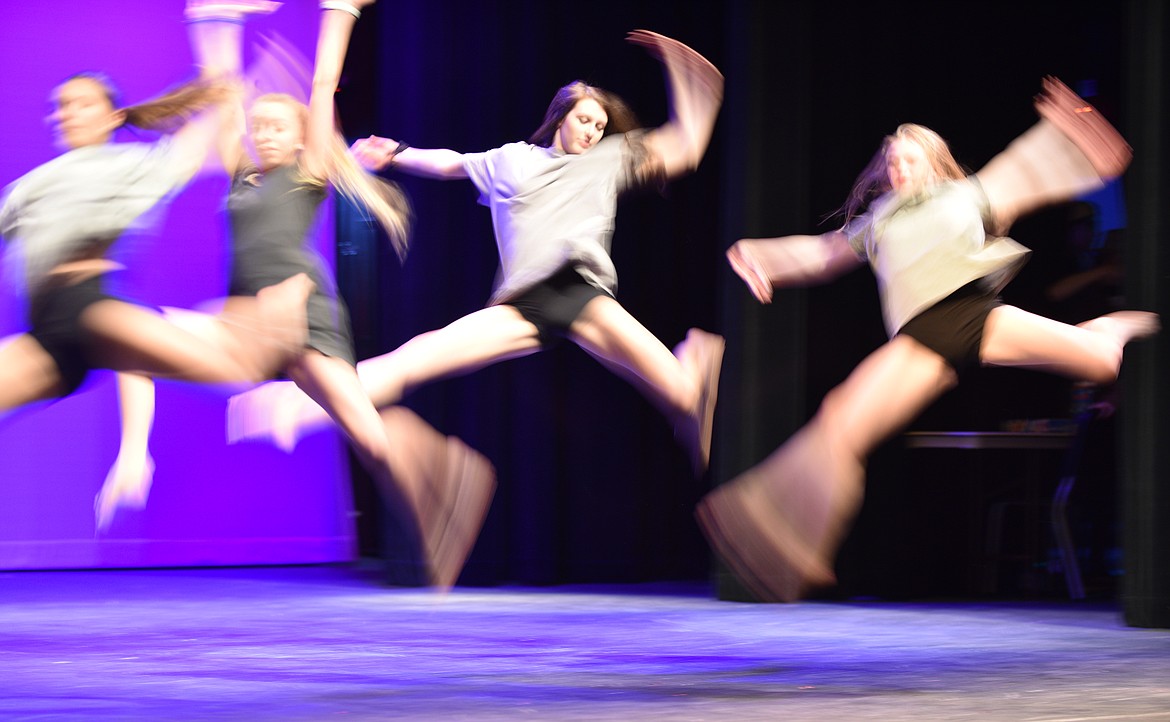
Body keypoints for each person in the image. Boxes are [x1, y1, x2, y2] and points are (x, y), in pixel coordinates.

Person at [697, 77, 1159, 602]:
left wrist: (1075, 136)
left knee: (1100, 362)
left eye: (910, 160)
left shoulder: (965, 194)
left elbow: (1029, 169)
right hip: (925, 337)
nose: (898, 169)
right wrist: (760, 254)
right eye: (892, 161)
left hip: (973, 313)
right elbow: (824, 254)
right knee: (841, 421)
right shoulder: (880, 218)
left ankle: (1107, 331)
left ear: (933, 163)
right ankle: (805, 539)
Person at [96, 0, 497, 592]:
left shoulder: (309, 172)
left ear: (300, 136)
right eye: (259, 127)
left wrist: (339, 13)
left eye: (276, 126)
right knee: (134, 339)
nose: (262, 133)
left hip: (304, 316)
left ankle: (445, 486)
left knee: (368, 436)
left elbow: (323, 82)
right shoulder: (242, 175)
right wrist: (214, 21)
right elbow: (224, 92)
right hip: (249, 322)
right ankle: (137, 457)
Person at [228, 30, 727, 478]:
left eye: (599, 125)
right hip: (524, 303)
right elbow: (453, 165)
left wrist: (695, 81)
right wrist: (398, 153)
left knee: (683, 396)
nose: (593, 131)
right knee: (417, 357)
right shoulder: (513, 161)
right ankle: (291, 407)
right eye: (584, 120)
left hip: (580, 292)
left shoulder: (609, 160)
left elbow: (686, 145)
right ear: (561, 117)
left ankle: (696, 361)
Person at [0, 15, 313, 426]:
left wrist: (219, 32)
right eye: (61, 106)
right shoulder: (25, 188)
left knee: (240, 368)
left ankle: (270, 350)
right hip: (49, 333)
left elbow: (206, 131)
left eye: (83, 103)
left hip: (86, 309)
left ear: (114, 117)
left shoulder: (132, 165)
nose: (68, 113)